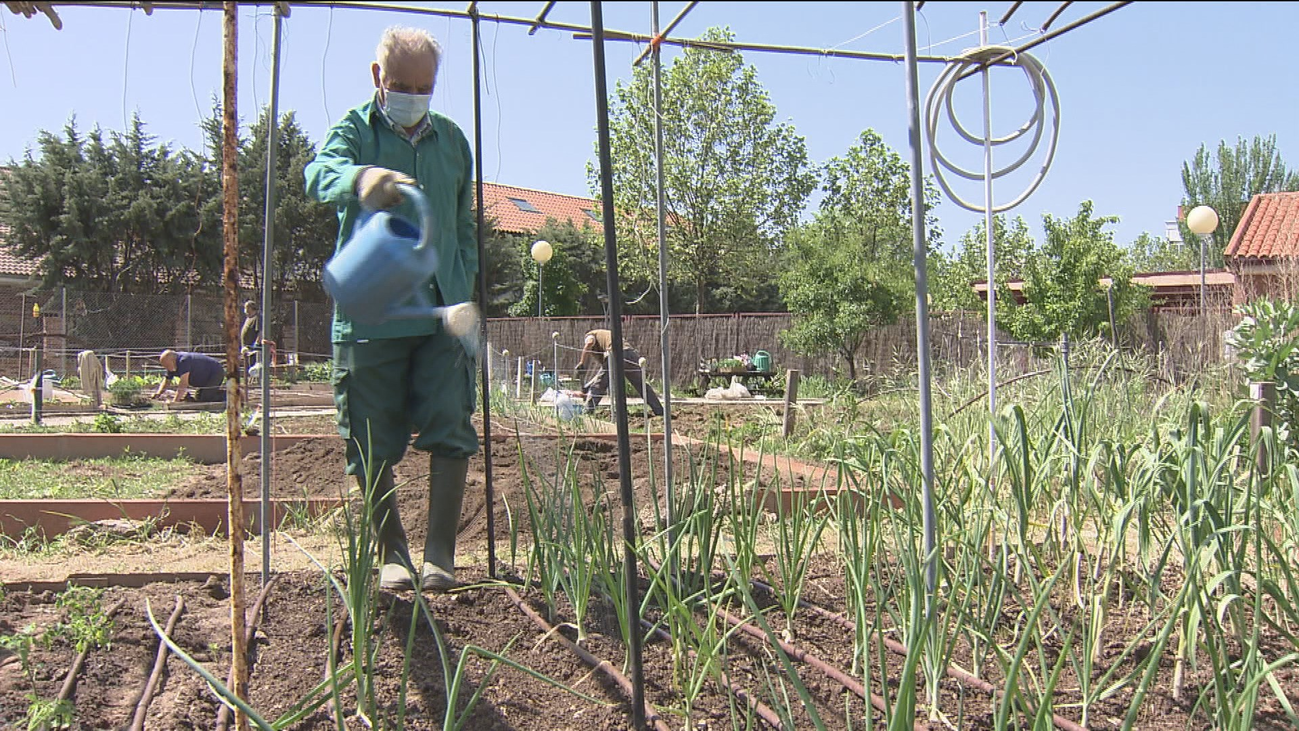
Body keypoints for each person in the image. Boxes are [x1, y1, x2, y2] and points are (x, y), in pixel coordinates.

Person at [305, 26, 478, 593]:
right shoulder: (356, 130)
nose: (414, 96)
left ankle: (440, 554)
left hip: (440, 312)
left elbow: (464, 225)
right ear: (378, 76)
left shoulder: (452, 142)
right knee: (369, 433)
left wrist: (464, 281)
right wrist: (360, 178)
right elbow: (317, 174)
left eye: (425, 87)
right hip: (374, 311)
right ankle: (393, 553)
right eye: (403, 85)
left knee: (450, 420)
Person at [577, 329, 664, 417]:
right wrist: (588, 387)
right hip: (630, 353)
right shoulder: (604, 339)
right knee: (641, 385)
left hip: (616, 353)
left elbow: (589, 343)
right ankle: (659, 411)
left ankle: (587, 411)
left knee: (599, 385)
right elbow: (602, 373)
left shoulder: (590, 335)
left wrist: (582, 363)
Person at [152, 350, 226, 403]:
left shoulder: (184, 361)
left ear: (172, 360)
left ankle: (229, 395)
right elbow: (167, 381)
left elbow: (183, 384)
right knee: (198, 397)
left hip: (215, 372)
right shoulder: (172, 366)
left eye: (166, 365)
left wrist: (175, 401)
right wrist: (158, 394)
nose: (166, 367)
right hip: (204, 378)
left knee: (205, 399)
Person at [240, 300, 261, 375]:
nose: (245, 310)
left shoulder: (257, 318)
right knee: (247, 368)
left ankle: (256, 381)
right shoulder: (248, 318)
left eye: (246, 308)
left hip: (253, 350)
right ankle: (248, 380)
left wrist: (256, 345)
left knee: (253, 369)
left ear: (251, 308)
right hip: (246, 349)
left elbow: (260, 332)